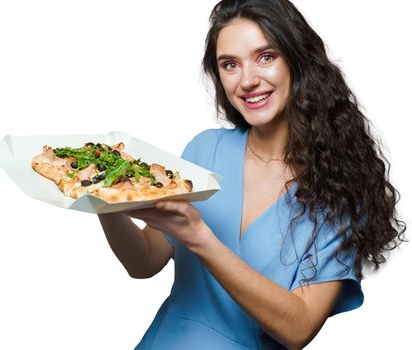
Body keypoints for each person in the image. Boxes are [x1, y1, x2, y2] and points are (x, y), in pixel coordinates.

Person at [98, 0, 406, 348]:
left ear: (297, 61)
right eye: (230, 65)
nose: (247, 80)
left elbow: (298, 328)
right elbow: (144, 261)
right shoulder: (204, 150)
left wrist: (200, 237)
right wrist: (103, 199)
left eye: (266, 57)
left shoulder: (339, 192)